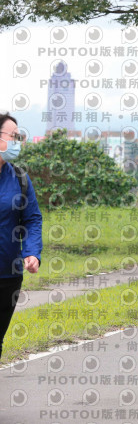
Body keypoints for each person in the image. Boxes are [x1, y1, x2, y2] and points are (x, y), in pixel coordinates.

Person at [0, 113, 42, 359]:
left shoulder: (19, 179)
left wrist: (32, 252)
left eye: (19, 137)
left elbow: (32, 219)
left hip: (8, 275)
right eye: (13, 136)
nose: (17, 142)